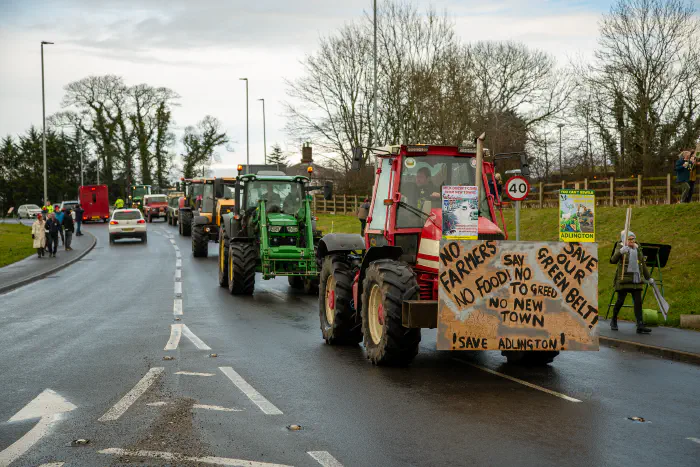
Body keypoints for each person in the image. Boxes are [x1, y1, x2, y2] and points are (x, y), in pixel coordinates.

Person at [610, 231, 653, 334]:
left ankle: (640, 325)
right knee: (620, 301)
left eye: (633, 239)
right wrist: (620, 252)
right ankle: (614, 320)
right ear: (624, 239)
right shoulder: (620, 246)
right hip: (624, 279)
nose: (632, 241)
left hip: (636, 279)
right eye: (629, 239)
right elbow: (613, 260)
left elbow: (642, 263)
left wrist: (649, 278)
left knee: (638, 302)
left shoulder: (638, 248)